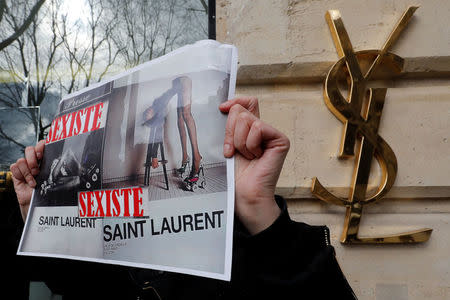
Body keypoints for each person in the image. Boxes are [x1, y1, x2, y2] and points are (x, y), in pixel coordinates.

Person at [9, 97, 356, 299]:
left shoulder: (238, 244)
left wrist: (258, 211)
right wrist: (40, 217)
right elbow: (75, 285)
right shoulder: (109, 244)